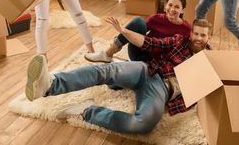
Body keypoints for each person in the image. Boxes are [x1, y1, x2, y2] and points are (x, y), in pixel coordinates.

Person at [24, 18, 212, 134]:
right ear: (191, 32)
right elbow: (152, 43)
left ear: (209, 37)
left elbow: (202, 94)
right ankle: (50, 84)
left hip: (161, 91)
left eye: (203, 35)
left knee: (143, 124)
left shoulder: (211, 62)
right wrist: (124, 31)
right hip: (148, 71)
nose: (198, 38)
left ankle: (88, 111)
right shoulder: (180, 40)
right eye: (196, 33)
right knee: (107, 70)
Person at [84, 0, 192, 63]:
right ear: (165, 6)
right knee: (139, 21)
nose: (172, 9)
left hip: (162, 63)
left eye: (177, 7)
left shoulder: (187, 29)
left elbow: (194, 47)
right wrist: (120, 35)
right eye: (170, 5)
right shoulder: (156, 18)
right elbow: (136, 29)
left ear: (182, 10)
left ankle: (124, 64)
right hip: (141, 54)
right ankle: (107, 54)